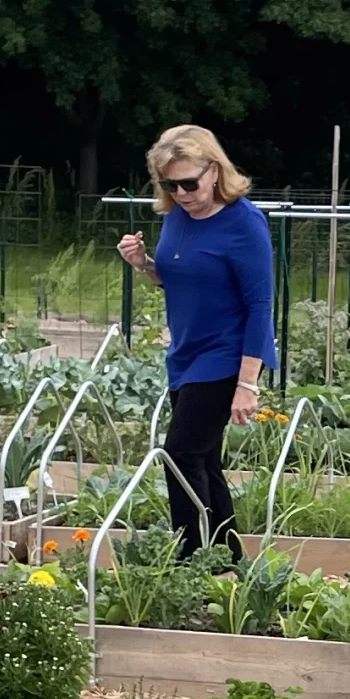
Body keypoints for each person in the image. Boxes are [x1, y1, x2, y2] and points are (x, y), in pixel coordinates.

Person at [117, 124, 274, 561]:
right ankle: (226, 559)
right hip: (184, 353)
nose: (183, 192)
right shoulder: (176, 219)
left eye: (190, 182)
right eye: (171, 184)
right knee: (204, 459)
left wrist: (248, 383)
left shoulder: (245, 223)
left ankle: (189, 556)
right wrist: (144, 264)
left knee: (180, 454)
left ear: (214, 170)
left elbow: (260, 305)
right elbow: (178, 279)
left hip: (226, 354)